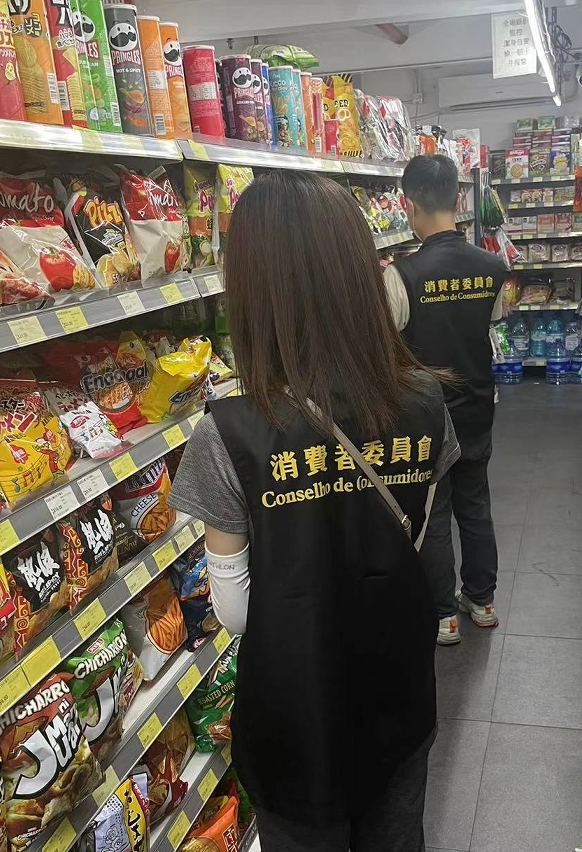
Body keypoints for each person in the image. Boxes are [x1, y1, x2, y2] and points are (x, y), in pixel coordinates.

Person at [168, 170, 460, 852]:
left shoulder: (230, 431)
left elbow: (235, 613)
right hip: (397, 692)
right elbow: (426, 543)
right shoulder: (424, 401)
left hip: (296, 716)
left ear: (253, 290)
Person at [384, 154, 509, 646]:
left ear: (408, 205)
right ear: (459, 198)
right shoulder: (493, 267)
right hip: (477, 405)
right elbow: (489, 324)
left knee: (433, 514)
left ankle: (443, 617)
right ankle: (482, 600)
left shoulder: (401, 275)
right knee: (475, 505)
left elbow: (387, 341)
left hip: (426, 414)